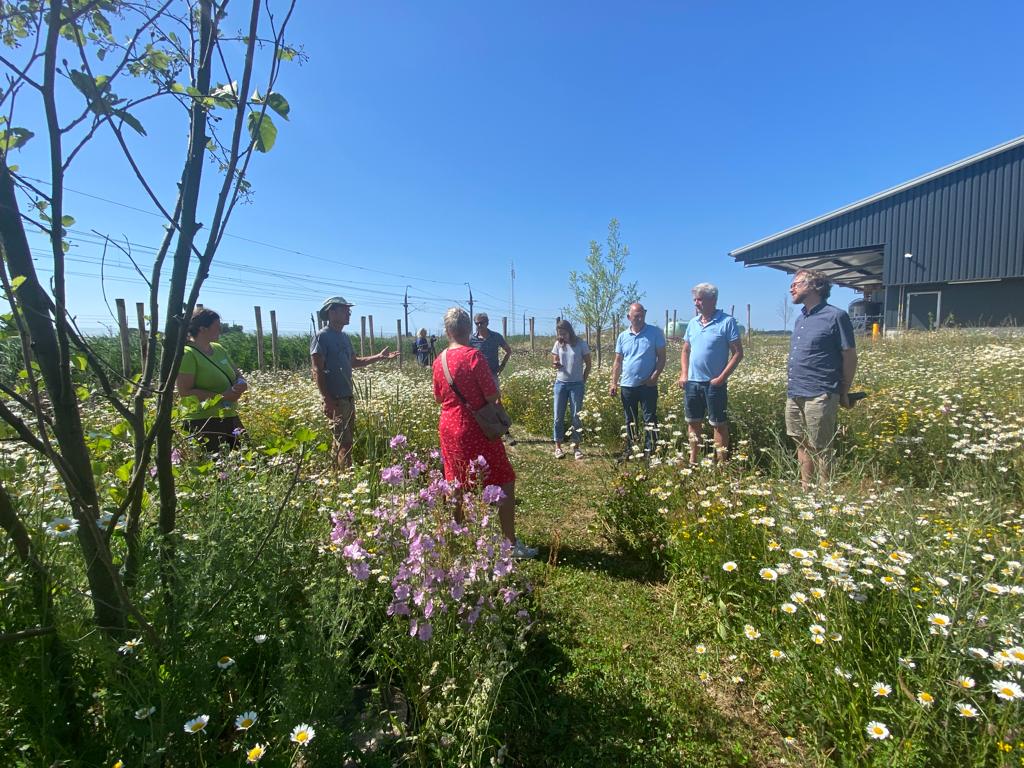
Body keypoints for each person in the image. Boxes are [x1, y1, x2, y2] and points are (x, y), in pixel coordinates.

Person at [433, 307, 536, 559]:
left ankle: (454, 544)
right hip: (476, 428)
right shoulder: (473, 357)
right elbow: (492, 395)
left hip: (448, 426)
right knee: (504, 478)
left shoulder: (440, 360)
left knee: (456, 482)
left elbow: (438, 397)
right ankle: (510, 544)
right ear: (468, 329)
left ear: (447, 331)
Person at [786, 269, 857, 490]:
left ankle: (826, 494)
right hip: (795, 391)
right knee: (801, 441)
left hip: (821, 392)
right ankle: (806, 489)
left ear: (814, 286)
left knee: (821, 446)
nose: (791, 288)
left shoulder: (836, 316)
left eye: (796, 283)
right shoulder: (800, 319)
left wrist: (843, 390)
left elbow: (849, 355)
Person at [310, 296, 398, 469]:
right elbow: (317, 370)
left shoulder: (344, 337)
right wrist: (327, 399)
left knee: (341, 441)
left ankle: (335, 477)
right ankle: (347, 480)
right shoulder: (321, 337)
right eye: (344, 309)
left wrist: (379, 357)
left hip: (348, 398)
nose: (348, 313)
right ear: (331, 311)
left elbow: (354, 362)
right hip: (334, 399)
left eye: (348, 310)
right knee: (345, 444)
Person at [678, 283, 743, 464]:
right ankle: (693, 460)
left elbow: (738, 353)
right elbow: (685, 350)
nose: (696, 304)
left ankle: (721, 464)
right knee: (693, 422)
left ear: (713, 300)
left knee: (718, 424)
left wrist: (721, 378)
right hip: (692, 382)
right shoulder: (693, 323)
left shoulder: (727, 322)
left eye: (700, 299)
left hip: (714, 384)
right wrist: (684, 374)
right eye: (695, 300)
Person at [176, 308, 247, 452]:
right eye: (216, 327)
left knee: (245, 460)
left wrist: (241, 384)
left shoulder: (218, 348)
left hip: (230, 416)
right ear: (202, 329)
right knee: (216, 465)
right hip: (203, 421)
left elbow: (237, 374)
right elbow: (185, 392)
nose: (220, 330)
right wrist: (222, 396)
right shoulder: (187, 354)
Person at [609, 303, 666, 458]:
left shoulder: (654, 333)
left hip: (648, 386)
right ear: (629, 318)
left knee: (650, 418)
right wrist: (614, 382)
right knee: (630, 420)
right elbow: (618, 361)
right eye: (636, 316)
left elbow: (662, 357)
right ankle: (631, 449)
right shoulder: (622, 336)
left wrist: (654, 377)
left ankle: (651, 451)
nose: (640, 318)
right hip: (627, 386)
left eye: (642, 315)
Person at [551, 319, 591, 460]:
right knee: (558, 416)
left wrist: (583, 380)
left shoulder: (581, 344)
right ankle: (558, 447)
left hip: (577, 385)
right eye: (559, 333)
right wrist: (556, 364)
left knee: (576, 416)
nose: (561, 336)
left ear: (569, 331)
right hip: (560, 384)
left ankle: (576, 447)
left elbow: (588, 364)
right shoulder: (558, 344)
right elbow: (554, 361)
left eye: (563, 333)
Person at [469, 313, 512, 392]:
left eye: (481, 323)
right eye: (476, 323)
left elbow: (508, 351)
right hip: (476, 375)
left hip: (492, 374)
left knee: (495, 399)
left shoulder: (496, 336)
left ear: (487, 323)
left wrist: (502, 366)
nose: (479, 325)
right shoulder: (471, 339)